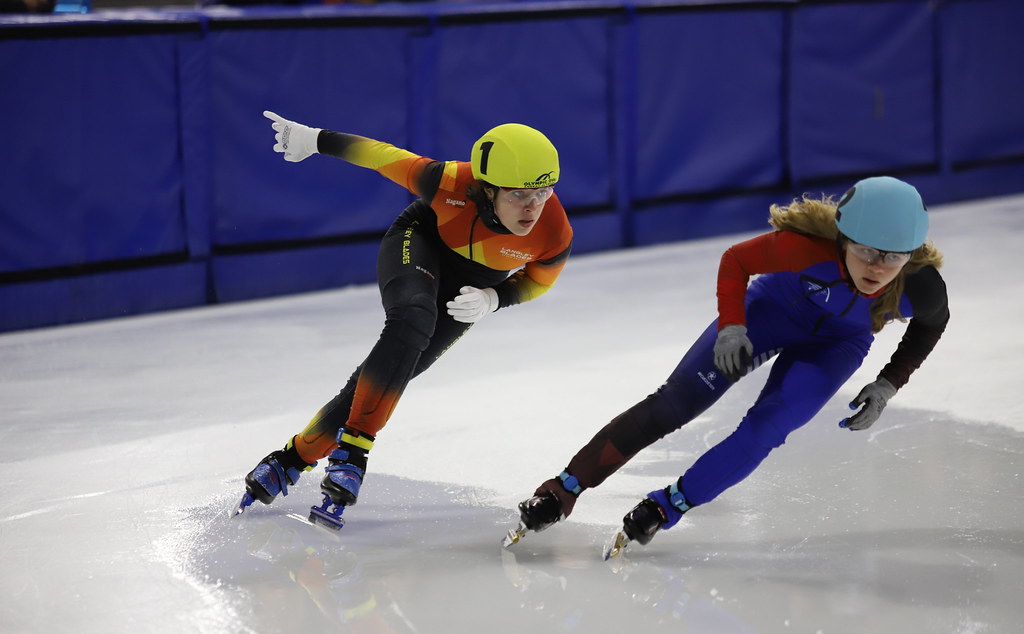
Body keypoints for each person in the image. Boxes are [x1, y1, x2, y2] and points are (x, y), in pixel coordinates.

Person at [510, 176, 948, 553]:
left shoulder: (920, 286)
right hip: (770, 312)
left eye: (893, 257)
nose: (877, 268)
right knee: (674, 403)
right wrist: (732, 327)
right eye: (867, 251)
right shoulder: (805, 246)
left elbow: (931, 325)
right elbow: (736, 261)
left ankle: (665, 507)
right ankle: (564, 488)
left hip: (836, 345)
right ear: (843, 238)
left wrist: (890, 383)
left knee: (768, 430)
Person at [238, 111, 572, 525]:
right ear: (486, 190)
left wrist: (493, 298)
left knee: (395, 370)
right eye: (521, 194)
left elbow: (539, 280)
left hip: (472, 290)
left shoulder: (555, 231)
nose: (534, 206)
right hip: (419, 242)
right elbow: (382, 156)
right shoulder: (447, 181)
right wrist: (314, 139)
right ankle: (354, 453)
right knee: (412, 317)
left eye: (544, 192)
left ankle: (290, 459)